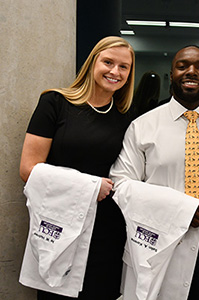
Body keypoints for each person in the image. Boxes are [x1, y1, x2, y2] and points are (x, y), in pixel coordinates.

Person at [110, 45, 199, 300]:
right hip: (158, 240)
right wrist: (178, 210)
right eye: (183, 66)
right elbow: (121, 185)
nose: (192, 72)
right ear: (172, 73)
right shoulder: (143, 126)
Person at [19, 36, 136, 300]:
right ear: (93, 62)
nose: (115, 72)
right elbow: (28, 169)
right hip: (58, 224)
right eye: (108, 62)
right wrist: (90, 185)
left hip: (107, 230)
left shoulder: (128, 117)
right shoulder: (55, 103)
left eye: (124, 67)